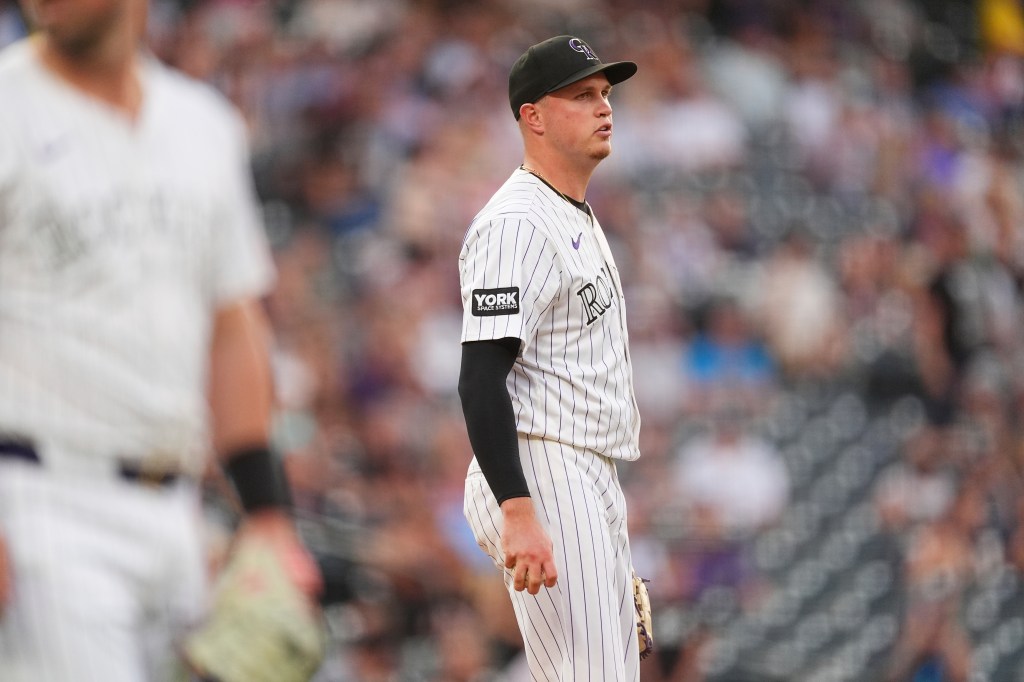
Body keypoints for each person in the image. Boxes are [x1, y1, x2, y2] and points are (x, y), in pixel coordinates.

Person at [0, 0, 321, 680]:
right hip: (40, 503)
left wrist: (267, 513)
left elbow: (231, 323)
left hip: (178, 515)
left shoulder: (204, 124)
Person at [458, 34, 644, 680]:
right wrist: (517, 509)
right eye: (582, 95)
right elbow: (480, 378)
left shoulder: (570, 212)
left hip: (582, 469)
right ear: (532, 116)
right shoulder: (517, 223)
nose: (604, 106)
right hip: (543, 465)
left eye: (605, 93)